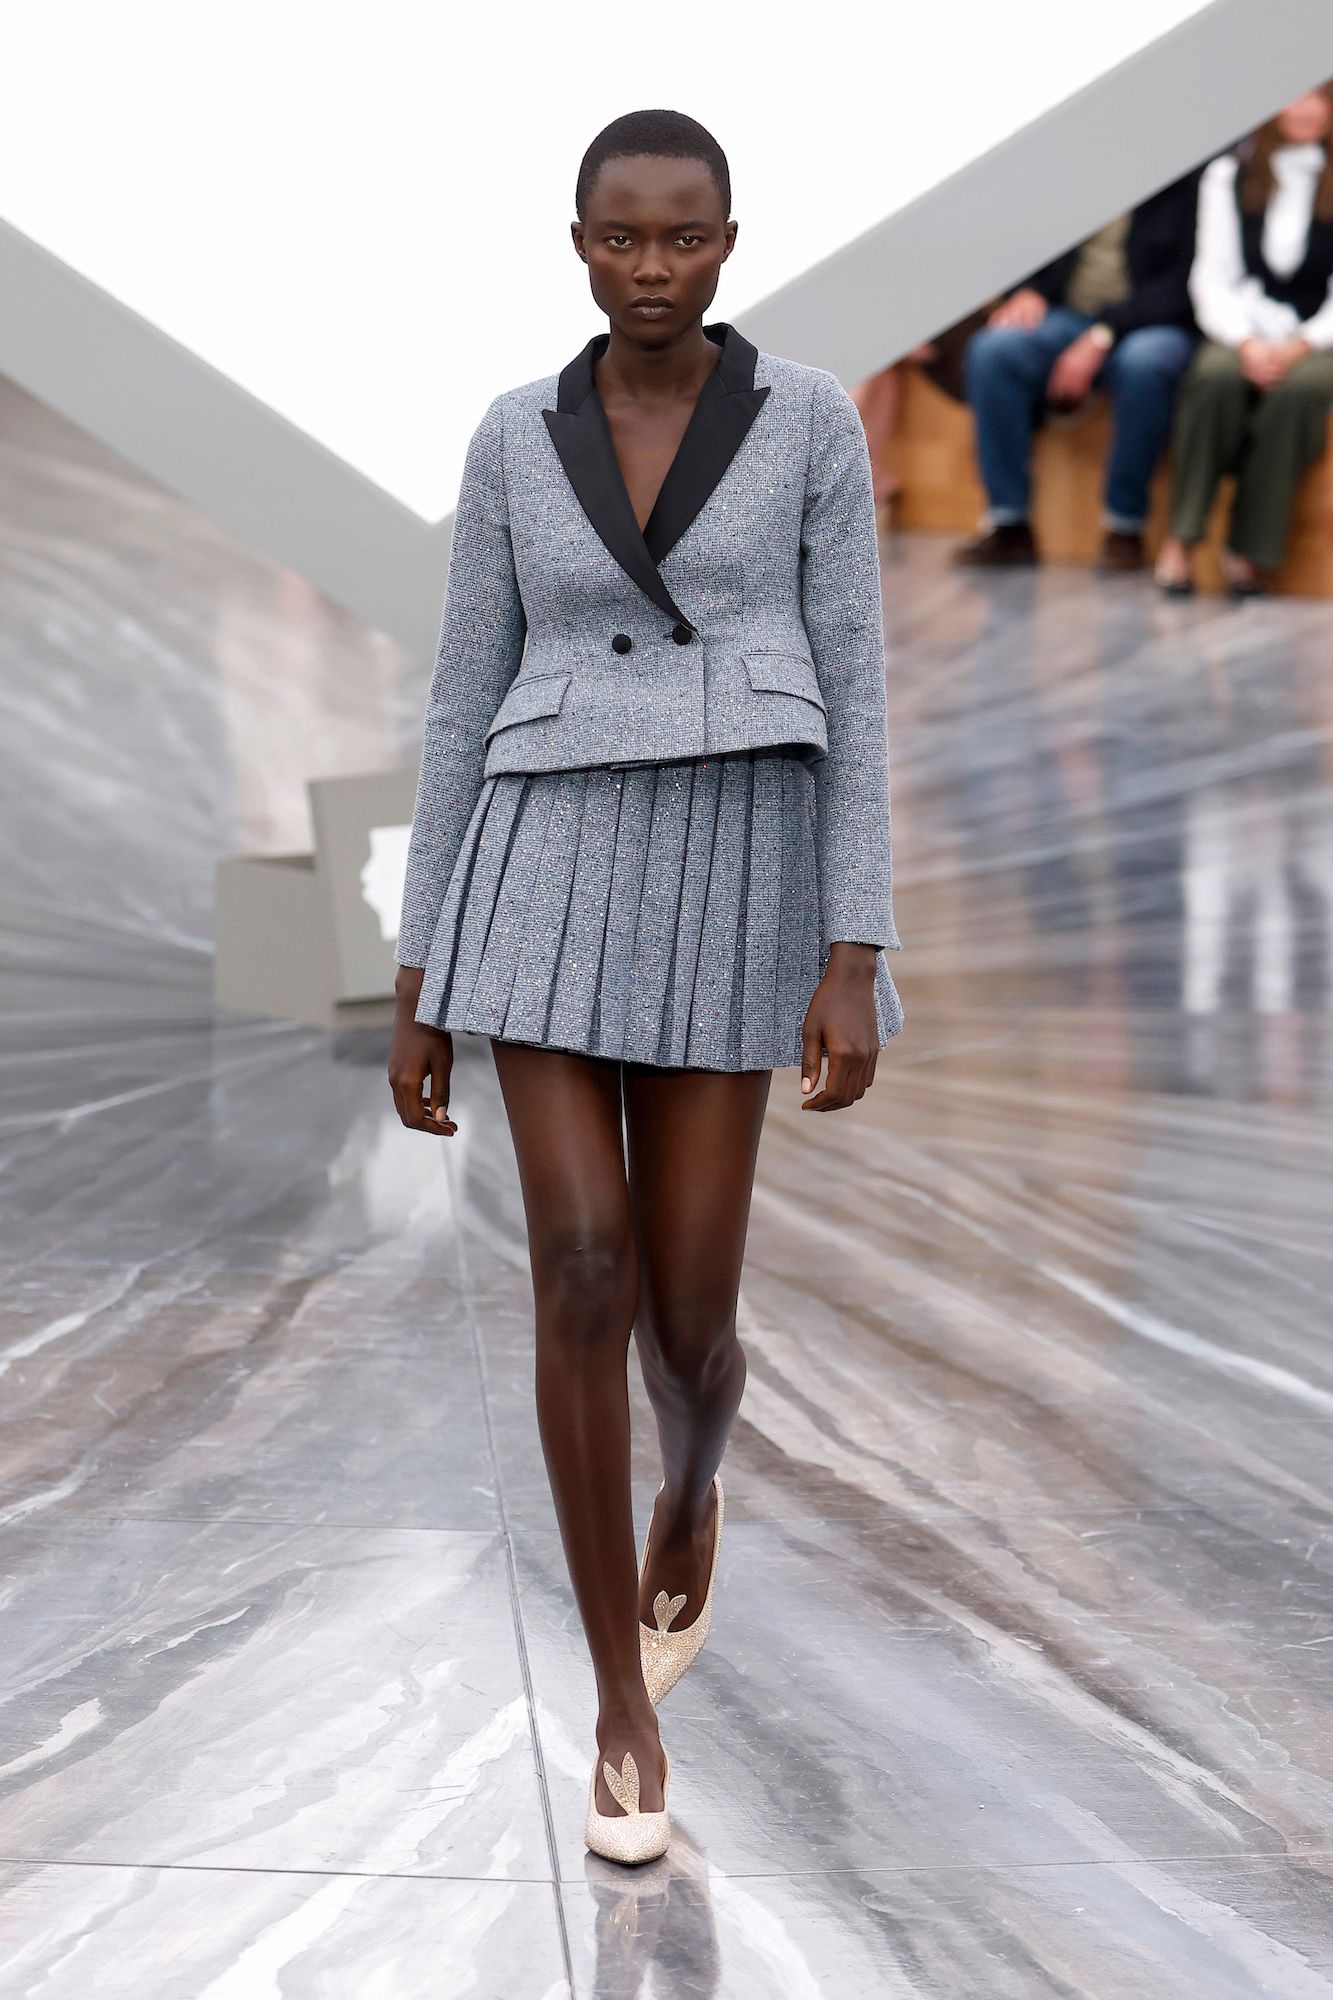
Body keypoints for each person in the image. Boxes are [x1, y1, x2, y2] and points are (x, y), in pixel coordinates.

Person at [387, 108, 903, 1867]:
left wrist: (856, 946)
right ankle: (616, 1703)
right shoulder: (517, 436)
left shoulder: (810, 422)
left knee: (688, 1326)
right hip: (542, 863)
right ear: (579, 243)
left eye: (683, 239)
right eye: (622, 238)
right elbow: (462, 695)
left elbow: (858, 681)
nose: (652, 269)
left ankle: (689, 1478)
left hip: (740, 866)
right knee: (581, 1268)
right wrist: (419, 967)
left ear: (728, 243)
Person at [954, 170, 1202, 571]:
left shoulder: (1183, 178)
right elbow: (1025, 240)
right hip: (1067, 316)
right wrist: (1028, 289)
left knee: (1146, 364)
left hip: (1148, 322)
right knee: (994, 350)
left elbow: (1181, 286)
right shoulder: (1073, 168)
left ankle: (1125, 527)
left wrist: (1103, 334)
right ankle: (1008, 522)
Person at [1156, 84, 1333, 598]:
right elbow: (1212, 275)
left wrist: (1303, 343)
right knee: (1212, 377)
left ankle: (1249, 552)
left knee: (1299, 393)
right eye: (1295, 96)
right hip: (1242, 329)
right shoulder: (1228, 174)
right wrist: (1246, 342)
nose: (1307, 109)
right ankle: (1182, 537)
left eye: (1320, 98)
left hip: (1316, 338)